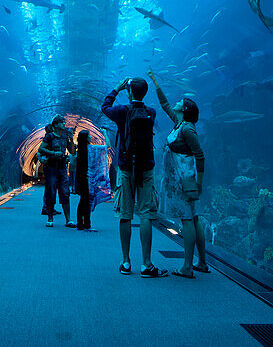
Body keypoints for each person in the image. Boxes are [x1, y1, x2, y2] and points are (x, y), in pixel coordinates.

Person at [101, 77, 168, 278]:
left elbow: (104, 107)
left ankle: (126, 261)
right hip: (146, 168)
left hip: (125, 167)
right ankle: (147, 264)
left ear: (129, 92)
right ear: (144, 93)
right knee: (146, 213)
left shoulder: (122, 111)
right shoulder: (151, 112)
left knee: (125, 215)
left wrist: (116, 88)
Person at [148, 71, 209, 278]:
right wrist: (156, 83)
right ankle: (201, 262)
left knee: (187, 220)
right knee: (194, 217)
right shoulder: (179, 123)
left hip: (184, 182)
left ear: (185, 109)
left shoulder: (188, 130)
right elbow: (165, 104)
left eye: (180, 102)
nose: (176, 102)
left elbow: (200, 156)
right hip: (180, 181)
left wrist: (199, 183)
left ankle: (187, 266)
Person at [38, 115, 76, 228]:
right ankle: (50, 219)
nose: (64, 124)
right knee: (51, 192)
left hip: (62, 168)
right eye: (61, 122)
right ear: (55, 125)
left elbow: (72, 151)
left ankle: (68, 219)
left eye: (64, 122)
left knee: (65, 192)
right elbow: (41, 148)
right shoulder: (49, 137)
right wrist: (53, 153)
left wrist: (71, 139)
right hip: (51, 168)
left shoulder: (65, 137)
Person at [74, 128, 93, 230]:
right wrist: (104, 133)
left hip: (82, 178)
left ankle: (82, 223)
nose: (91, 137)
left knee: (83, 199)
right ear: (85, 138)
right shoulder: (89, 149)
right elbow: (107, 147)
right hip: (86, 178)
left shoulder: (81, 149)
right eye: (89, 135)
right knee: (85, 200)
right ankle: (85, 223)